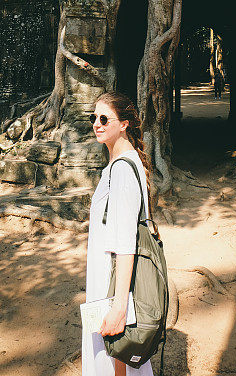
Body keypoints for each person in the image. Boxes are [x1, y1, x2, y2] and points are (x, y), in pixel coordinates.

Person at [82, 92, 158, 376]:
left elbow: (126, 244)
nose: (97, 124)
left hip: (113, 282)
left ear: (124, 124)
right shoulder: (120, 163)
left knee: (113, 360)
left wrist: (119, 307)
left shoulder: (124, 170)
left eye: (104, 119)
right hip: (108, 278)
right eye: (94, 118)